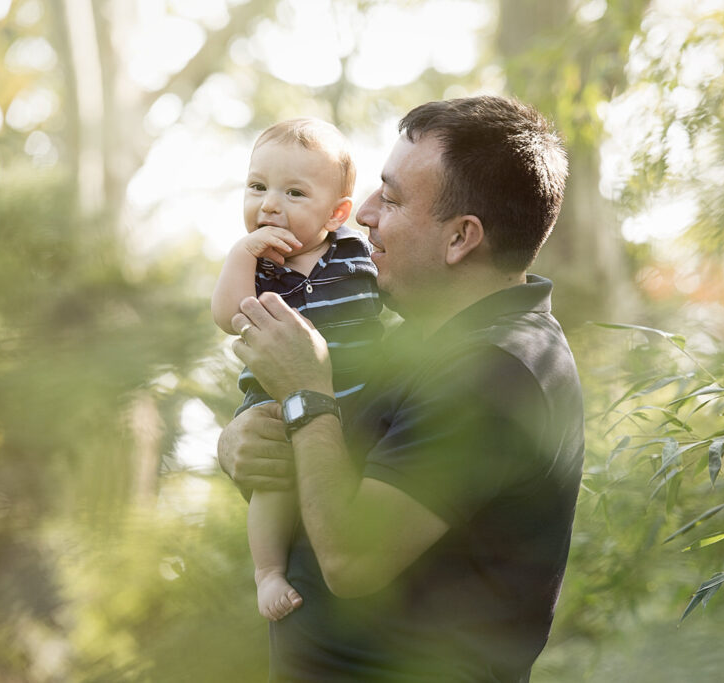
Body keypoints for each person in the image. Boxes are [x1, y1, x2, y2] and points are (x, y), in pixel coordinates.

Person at [219, 95, 584, 682]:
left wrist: (304, 393)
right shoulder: (413, 343)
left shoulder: (497, 369)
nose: (362, 214)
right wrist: (242, 441)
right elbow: (326, 467)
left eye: (390, 198)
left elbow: (352, 559)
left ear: (461, 239)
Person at [211, 118, 382, 622]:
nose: (268, 204)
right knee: (275, 480)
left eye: (294, 192)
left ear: (337, 213)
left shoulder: (356, 254)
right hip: (275, 401)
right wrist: (243, 253)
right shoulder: (258, 266)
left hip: (359, 395)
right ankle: (268, 571)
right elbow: (228, 315)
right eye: (257, 187)